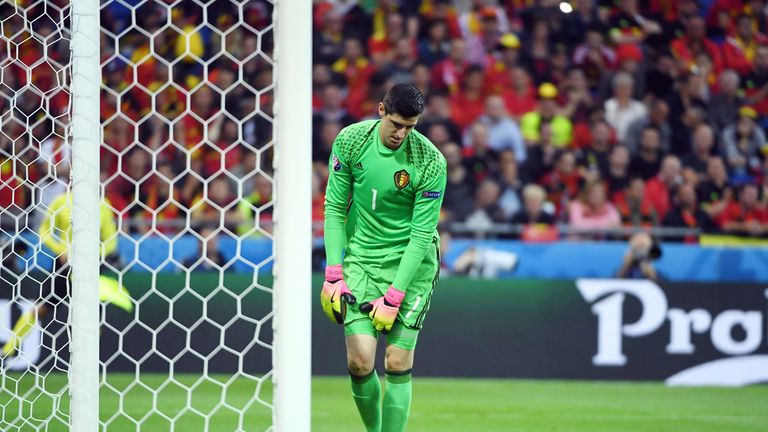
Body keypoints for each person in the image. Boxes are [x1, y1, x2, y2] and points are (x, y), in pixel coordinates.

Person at [321, 83, 446, 432]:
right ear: (380, 111)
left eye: (411, 126)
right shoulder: (350, 141)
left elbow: (422, 235)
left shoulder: (430, 161)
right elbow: (333, 208)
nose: (402, 133)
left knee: (396, 359)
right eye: (396, 124)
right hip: (362, 259)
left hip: (412, 263)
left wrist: (395, 295)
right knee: (360, 362)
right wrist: (334, 273)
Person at [1, 191, 132, 358]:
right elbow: (44, 230)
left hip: (90, 267)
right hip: (63, 265)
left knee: (92, 315)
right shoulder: (61, 201)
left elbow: (111, 240)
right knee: (41, 308)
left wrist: (93, 255)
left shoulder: (102, 204)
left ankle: (89, 359)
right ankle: (8, 351)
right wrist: (61, 250)